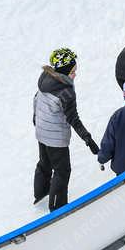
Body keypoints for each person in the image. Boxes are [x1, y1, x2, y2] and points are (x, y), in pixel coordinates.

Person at [33, 48, 100, 211]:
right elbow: (73, 119)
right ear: (63, 71)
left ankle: (41, 193)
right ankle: (58, 207)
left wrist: (35, 119)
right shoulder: (66, 91)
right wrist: (88, 139)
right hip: (56, 137)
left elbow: (36, 99)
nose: (75, 74)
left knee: (44, 163)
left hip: (41, 130)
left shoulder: (45, 77)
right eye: (72, 71)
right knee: (62, 170)